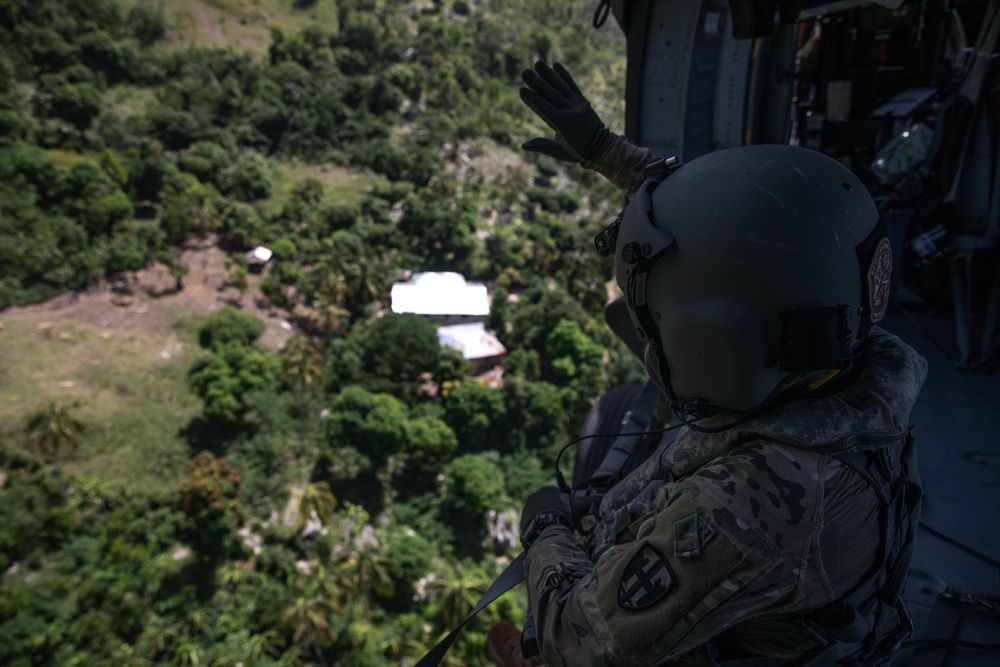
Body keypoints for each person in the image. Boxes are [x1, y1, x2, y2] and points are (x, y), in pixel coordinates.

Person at [489, 62, 928, 667]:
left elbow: (579, 645)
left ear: (713, 345)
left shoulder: (752, 505)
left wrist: (544, 532)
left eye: (659, 325)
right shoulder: (839, 352)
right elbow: (756, 235)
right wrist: (609, 153)